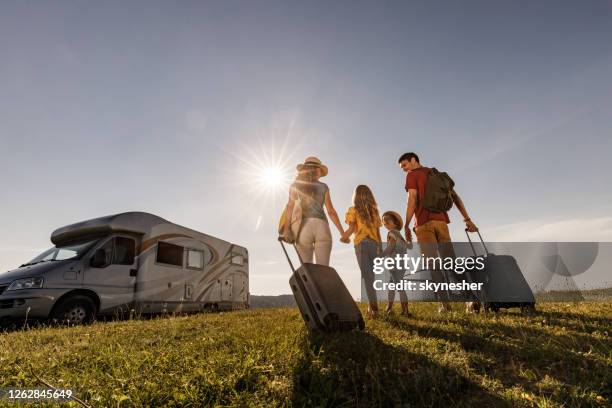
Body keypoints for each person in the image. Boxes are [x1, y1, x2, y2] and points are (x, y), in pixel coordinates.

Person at [398, 152, 480, 313]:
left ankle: (444, 305)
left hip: (423, 225)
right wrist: (467, 219)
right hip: (442, 222)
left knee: (433, 265)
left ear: (414, 160)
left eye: (405, 165)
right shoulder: (438, 175)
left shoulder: (413, 175)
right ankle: (470, 299)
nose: (404, 170)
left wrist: (406, 225)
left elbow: (412, 200)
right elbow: (456, 198)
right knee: (451, 262)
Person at [282, 157, 345, 266]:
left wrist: (287, 229)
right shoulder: (323, 187)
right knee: (323, 269)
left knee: (308, 269)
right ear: (317, 170)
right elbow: (331, 211)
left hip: (303, 228)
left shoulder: (295, 185)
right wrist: (342, 232)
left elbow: (290, 206)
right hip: (322, 227)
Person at [340, 185, 382, 318]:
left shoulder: (353, 210)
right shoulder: (374, 211)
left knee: (367, 277)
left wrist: (344, 237)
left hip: (362, 244)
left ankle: (374, 310)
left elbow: (352, 229)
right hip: (375, 244)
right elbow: (378, 231)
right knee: (372, 278)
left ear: (356, 196)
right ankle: (371, 308)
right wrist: (380, 247)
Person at [381, 211, 410, 316]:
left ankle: (405, 311)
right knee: (392, 286)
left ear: (395, 222)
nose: (385, 222)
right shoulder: (400, 236)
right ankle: (389, 308)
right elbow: (408, 247)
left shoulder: (391, 233)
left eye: (387, 220)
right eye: (384, 221)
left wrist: (380, 255)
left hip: (394, 264)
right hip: (402, 264)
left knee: (399, 287)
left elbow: (390, 248)